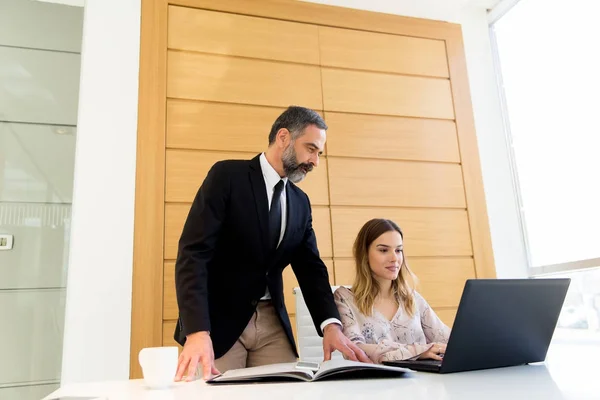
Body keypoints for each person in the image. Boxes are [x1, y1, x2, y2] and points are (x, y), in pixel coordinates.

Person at [174, 106, 370, 382]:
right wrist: (197, 331)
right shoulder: (227, 177)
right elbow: (193, 255)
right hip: (219, 322)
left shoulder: (300, 203)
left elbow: (311, 268)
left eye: (319, 153)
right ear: (283, 137)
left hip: (271, 322)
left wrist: (331, 325)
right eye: (311, 149)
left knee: (290, 390)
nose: (315, 161)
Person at [334, 218, 450, 364]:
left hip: (421, 383)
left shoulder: (411, 298)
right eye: (383, 250)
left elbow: (447, 339)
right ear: (364, 254)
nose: (394, 258)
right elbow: (355, 348)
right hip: (374, 384)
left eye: (398, 250)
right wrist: (418, 351)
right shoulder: (344, 298)